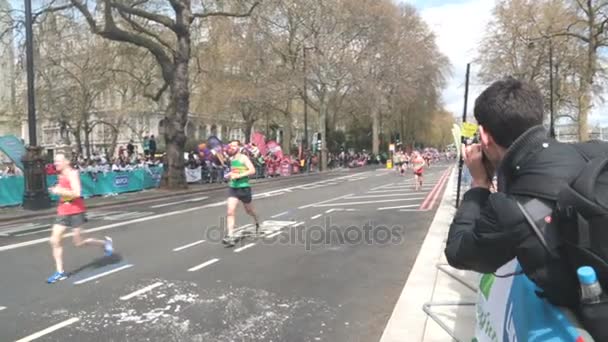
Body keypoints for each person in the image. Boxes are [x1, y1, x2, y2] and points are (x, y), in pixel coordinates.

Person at [444, 77, 600, 308]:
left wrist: (479, 183)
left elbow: (458, 252)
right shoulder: (594, 151)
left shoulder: (508, 208)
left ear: (484, 136)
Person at [47, 154, 113, 284]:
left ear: (67, 161)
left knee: (78, 242)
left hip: (76, 211)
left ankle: (105, 244)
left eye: (59, 161)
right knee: (54, 240)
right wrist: (58, 190)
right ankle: (60, 272)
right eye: (55, 161)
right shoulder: (60, 174)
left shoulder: (73, 173)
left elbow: (77, 193)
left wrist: (59, 191)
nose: (56, 163)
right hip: (63, 210)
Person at [222, 140, 261, 247]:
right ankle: (230, 236)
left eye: (234, 146)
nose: (232, 148)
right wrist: (230, 174)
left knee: (249, 211)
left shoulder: (243, 157)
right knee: (230, 211)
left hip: (244, 188)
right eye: (230, 146)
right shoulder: (232, 159)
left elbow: (252, 170)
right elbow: (236, 170)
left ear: (239, 147)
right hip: (233, 188)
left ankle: (257, 220)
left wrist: (238, 176)